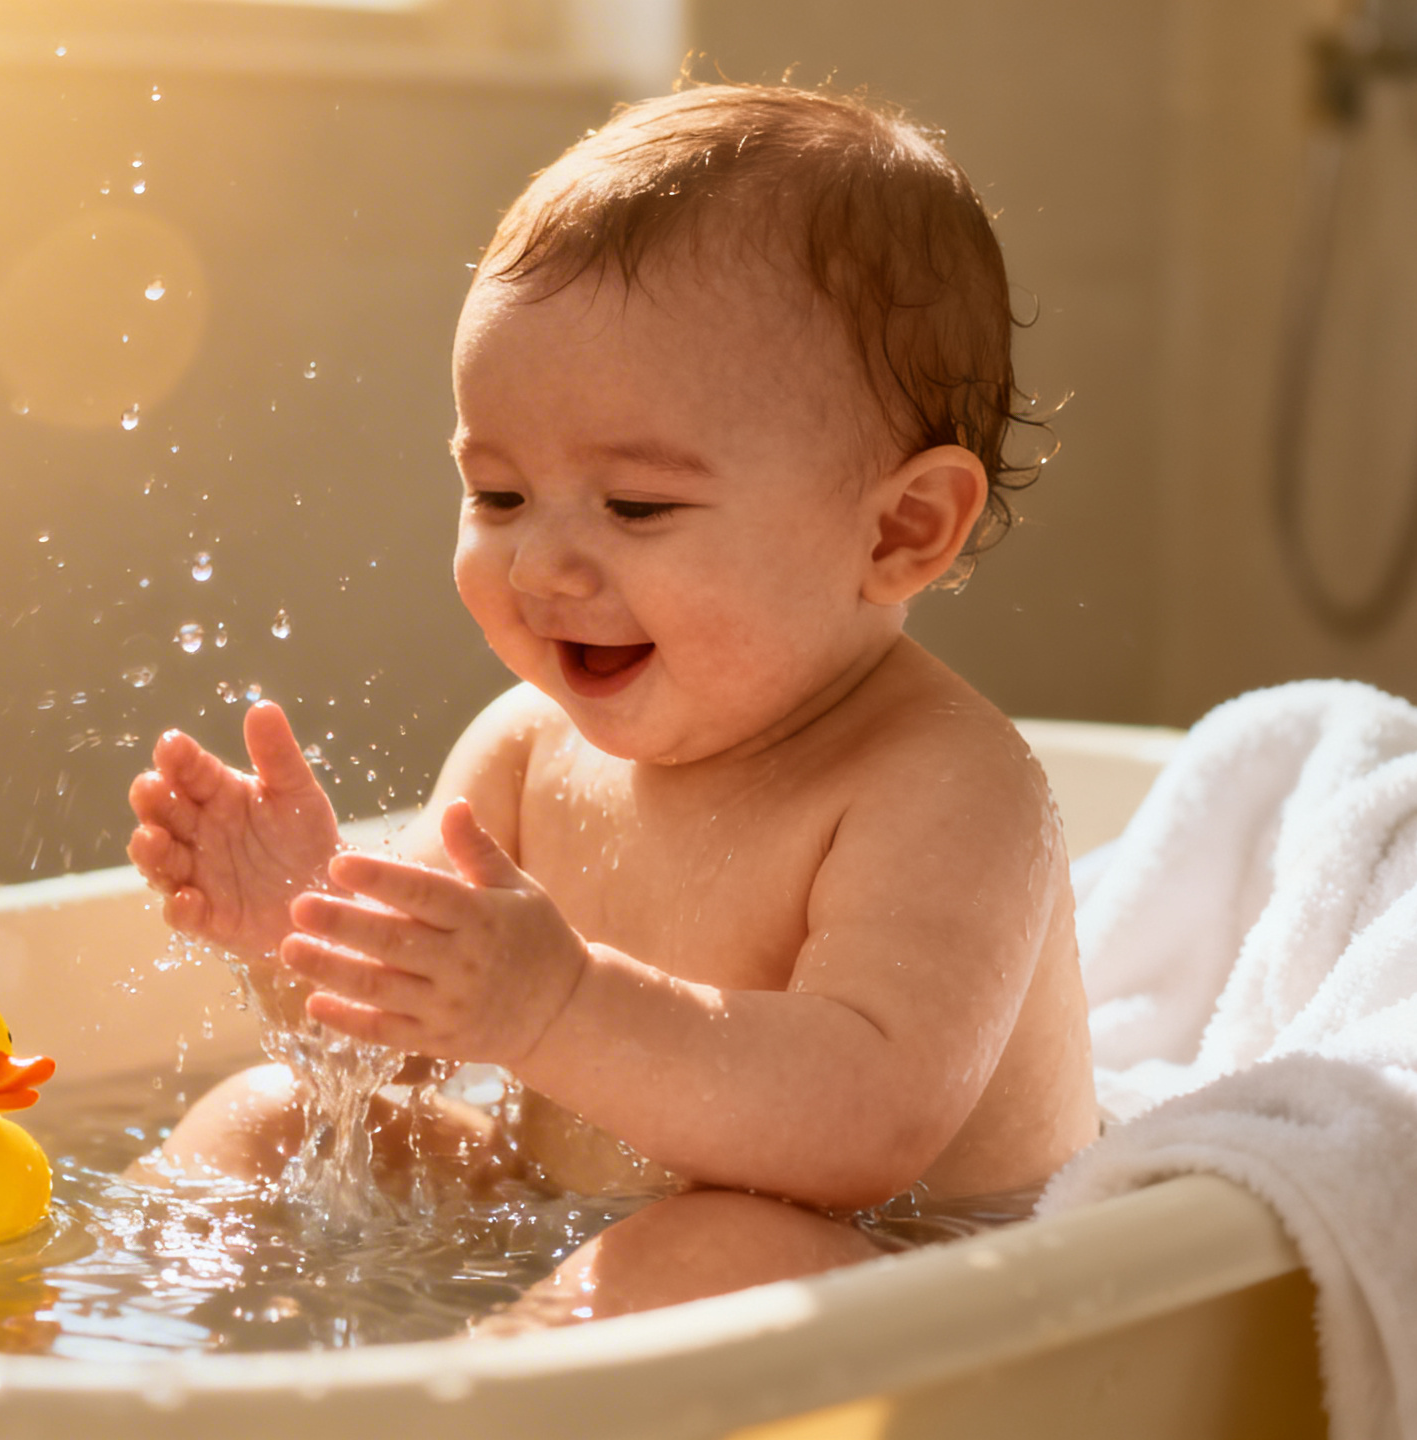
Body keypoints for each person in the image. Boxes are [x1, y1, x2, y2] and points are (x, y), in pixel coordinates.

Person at [124, 80, 1097, 1325]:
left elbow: (866, 1126)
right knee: (267, 1121)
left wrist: (559, 1007)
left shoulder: (944, 786)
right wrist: (309, 937)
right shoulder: (528, 753)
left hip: (911, 1296)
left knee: (715, 1251)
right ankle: (111, 1376)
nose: (538, 567)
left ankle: (437, 1415)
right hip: (566, 1227)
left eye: (636, 507)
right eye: (498, 496)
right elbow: (406, 1051)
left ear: (899, 529)